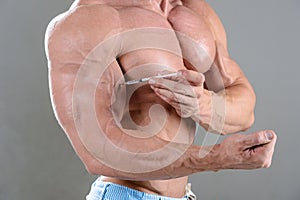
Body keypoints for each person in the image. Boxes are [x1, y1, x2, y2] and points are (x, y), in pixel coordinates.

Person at [44, 0, 277, 199]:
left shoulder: (193, 10)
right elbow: (96, 149)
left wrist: (203, 104)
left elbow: (244, 109)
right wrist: (216, 158)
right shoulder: (87, 21)